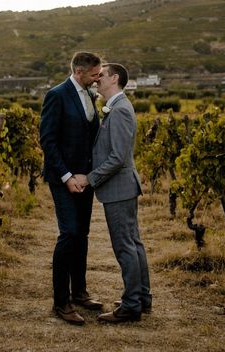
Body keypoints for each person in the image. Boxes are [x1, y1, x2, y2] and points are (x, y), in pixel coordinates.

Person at [75, 63, 152, 323]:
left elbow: (118, 157)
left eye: (102, 75)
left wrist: (90, 178)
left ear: (115, 78)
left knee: (125, 247)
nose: (97, 79)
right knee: (134, 244)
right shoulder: (118, 107)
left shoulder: (119, 111)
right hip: (123, 186)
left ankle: (131, 306)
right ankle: (141, 297)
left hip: (118, 187)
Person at [39, 51, 104, 325]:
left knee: (83, 235)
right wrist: (67, 176)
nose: (97, 79)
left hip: (84, 178)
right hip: (64, 179)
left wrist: (88, 175)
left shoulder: (89, 95)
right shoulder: (57, 95)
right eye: (94, 75)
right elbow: (48, 140)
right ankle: (61, 302)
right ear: (79, 72)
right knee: (69, 234)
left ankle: (79, 292)